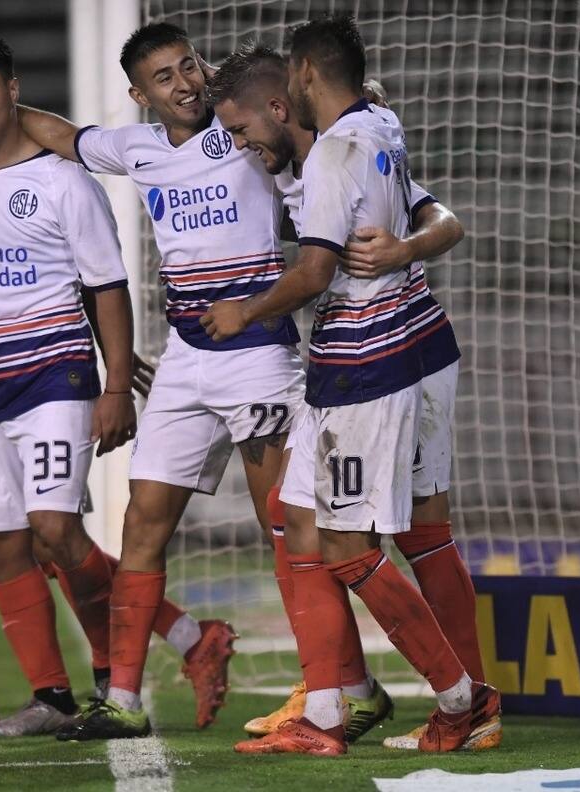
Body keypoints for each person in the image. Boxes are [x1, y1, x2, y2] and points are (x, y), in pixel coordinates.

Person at [0, 51, 204, 732]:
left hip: (54, 377)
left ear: (11, 90)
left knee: (53, 532)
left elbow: (103, 287)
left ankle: (132, 666)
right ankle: (52, 697)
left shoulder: (61, 181)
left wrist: (115, 384)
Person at [202, 15, 500, 755]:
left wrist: (242, 310)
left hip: (367, 359)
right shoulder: (377, 123)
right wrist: (408, 245)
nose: (241, 148)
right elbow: (442, 218)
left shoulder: (333, 155)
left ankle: (461, 699)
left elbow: (314, 273)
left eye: (242, 131)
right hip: (412, 341)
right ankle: (329, 709)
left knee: (341, 540)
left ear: (292, 91)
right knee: (304, 515)